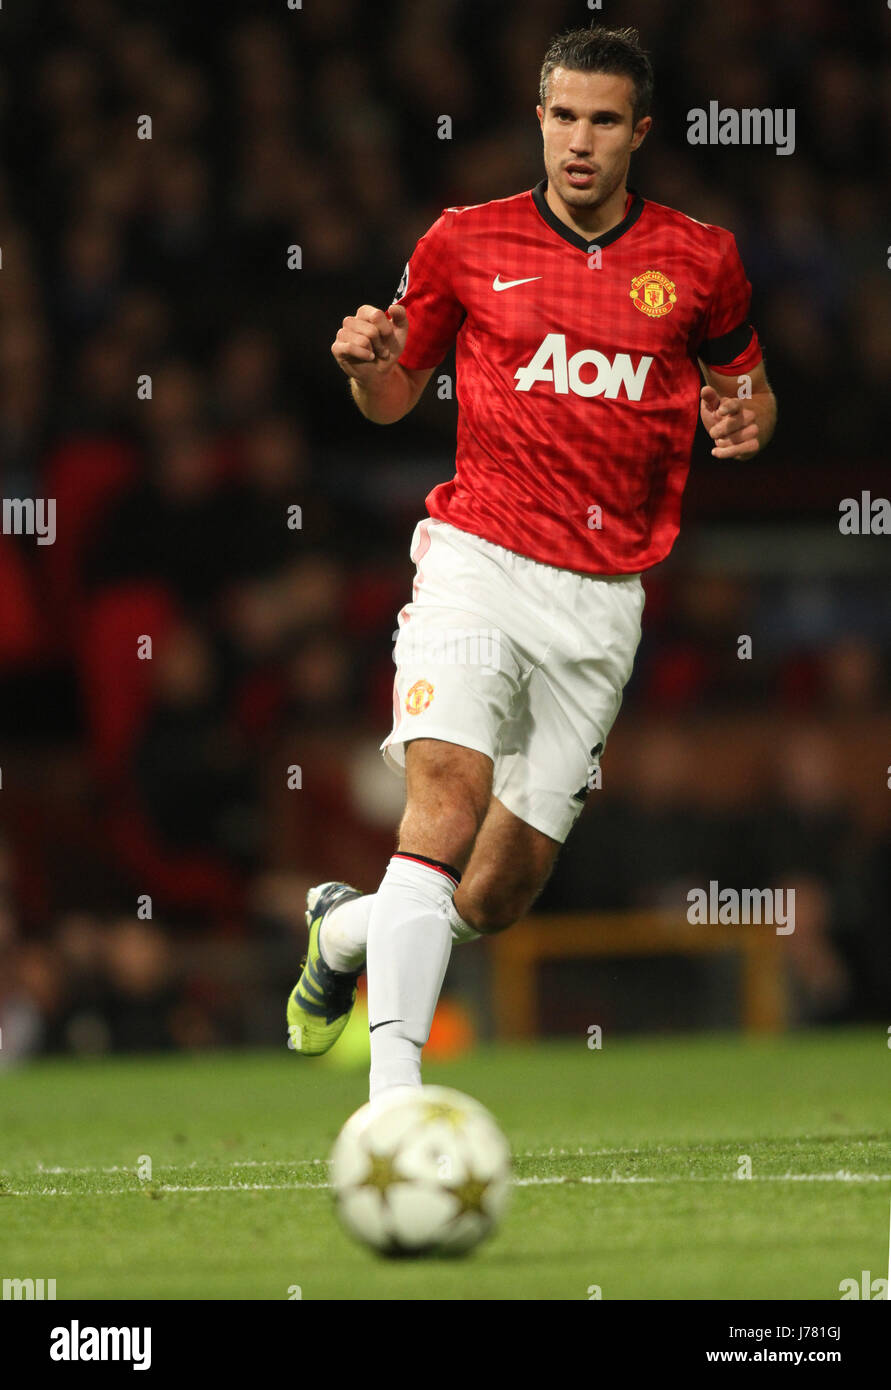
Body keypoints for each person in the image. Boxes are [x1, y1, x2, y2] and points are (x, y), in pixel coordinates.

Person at [287, 25, 776, 1098]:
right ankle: (396, 1102)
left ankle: (346, 931)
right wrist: (367, 363)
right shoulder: (465, 240)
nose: (580, 142)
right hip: (475, 557)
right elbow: (391, 396)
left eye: (605, 121)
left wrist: (750, 421)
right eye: (563, 117)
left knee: (496, 893)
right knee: (444, 807)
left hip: (601, 605)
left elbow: (751, 387)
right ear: (539, 119)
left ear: (639, 131)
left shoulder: (702, 261)